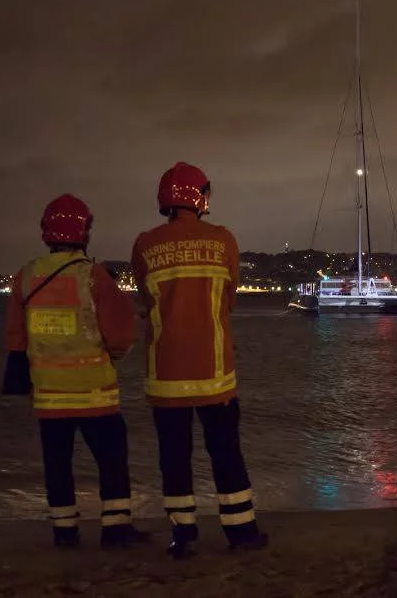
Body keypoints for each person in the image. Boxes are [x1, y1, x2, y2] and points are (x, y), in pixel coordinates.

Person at [131, 162, 267, 558]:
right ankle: (241, 534)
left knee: (173, 457)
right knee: (226, 452)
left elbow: (145, 297)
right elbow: (230, 298)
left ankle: (183, 536)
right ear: (202, 197)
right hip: (215, 374)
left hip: (165, 374)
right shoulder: (223, 241)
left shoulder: (144, 244)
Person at [2, 193, 147, 549]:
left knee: (57, 463)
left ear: (45, 233)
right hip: (95, 393)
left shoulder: (25, 277)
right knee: (111, 459)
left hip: (50, 396)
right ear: (85, 232)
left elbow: (15, 336)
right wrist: (114, 354)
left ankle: (64, 532)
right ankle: (115, 529)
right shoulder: (93, 276)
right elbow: (122, 334)